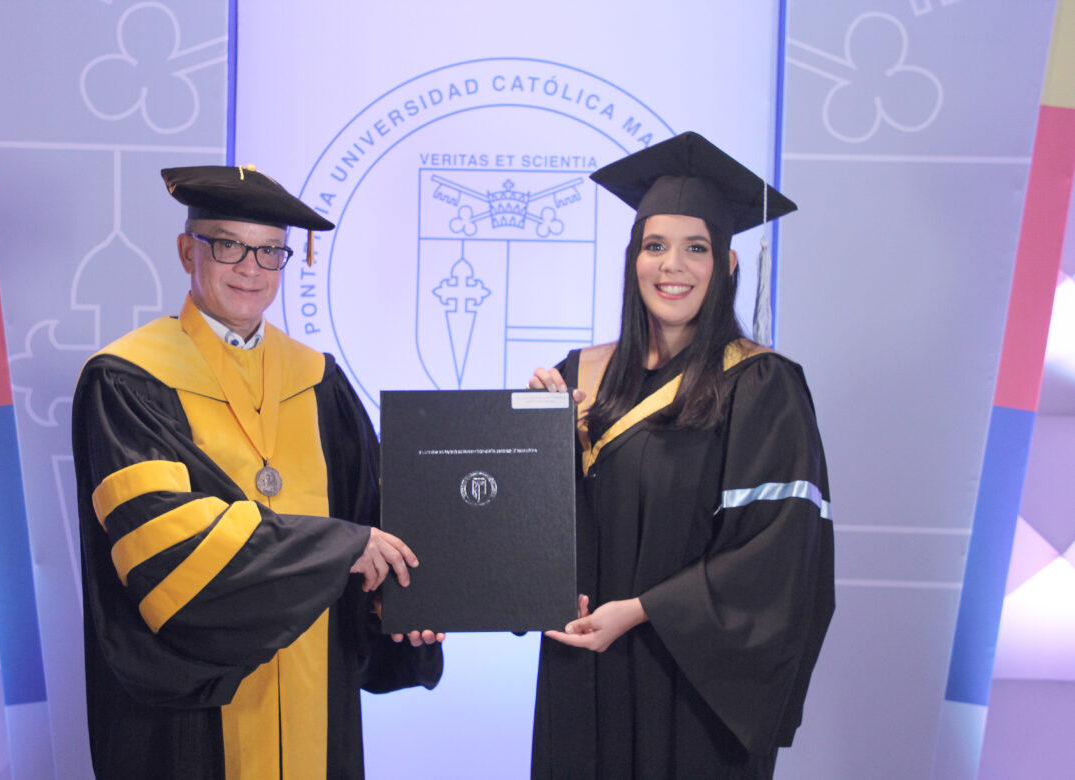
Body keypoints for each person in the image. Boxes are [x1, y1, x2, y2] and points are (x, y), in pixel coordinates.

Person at [72, 164, 442, 780]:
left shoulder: (318, 380)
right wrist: (340, 548)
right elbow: (165, 545)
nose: (251, 268)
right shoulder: (129, 379)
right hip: (190, 717)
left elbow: (370, 516)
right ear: (188, 250)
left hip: (312, 683)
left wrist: (399, 604)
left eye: (270, 252)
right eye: (228, 245)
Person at [527, 132, 835, 779]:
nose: (673, 266)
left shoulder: (761, 385)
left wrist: (641, 612)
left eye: (696, 248)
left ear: (724, 264)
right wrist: (536, 440)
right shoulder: (579, 378)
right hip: (583, 674)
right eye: (655, 246)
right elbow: (535, 537)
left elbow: (778, 560)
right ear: (633, 259)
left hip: (694, 694)